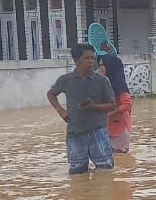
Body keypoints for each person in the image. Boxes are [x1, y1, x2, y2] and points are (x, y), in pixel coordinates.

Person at [47, 43, 116, 173]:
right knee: (77, 172)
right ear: (76, 60)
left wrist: (93, 106)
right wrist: (61, 111)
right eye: (87, 58)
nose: (91, 61)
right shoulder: (65, 80)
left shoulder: (102, 80)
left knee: (105, 170)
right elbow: (51, 94)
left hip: (98, 132)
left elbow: (112, 105)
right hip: (75, 132)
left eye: (92, 58)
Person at [98, 53, 132, 153]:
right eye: (99, 65)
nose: (101, 68)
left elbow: (127, 103)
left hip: (119, 126)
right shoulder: (102, 83)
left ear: (110, 66)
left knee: (119, 157)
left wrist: (110, 114)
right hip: (107, 126)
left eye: (103, 65)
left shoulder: (119, 84)